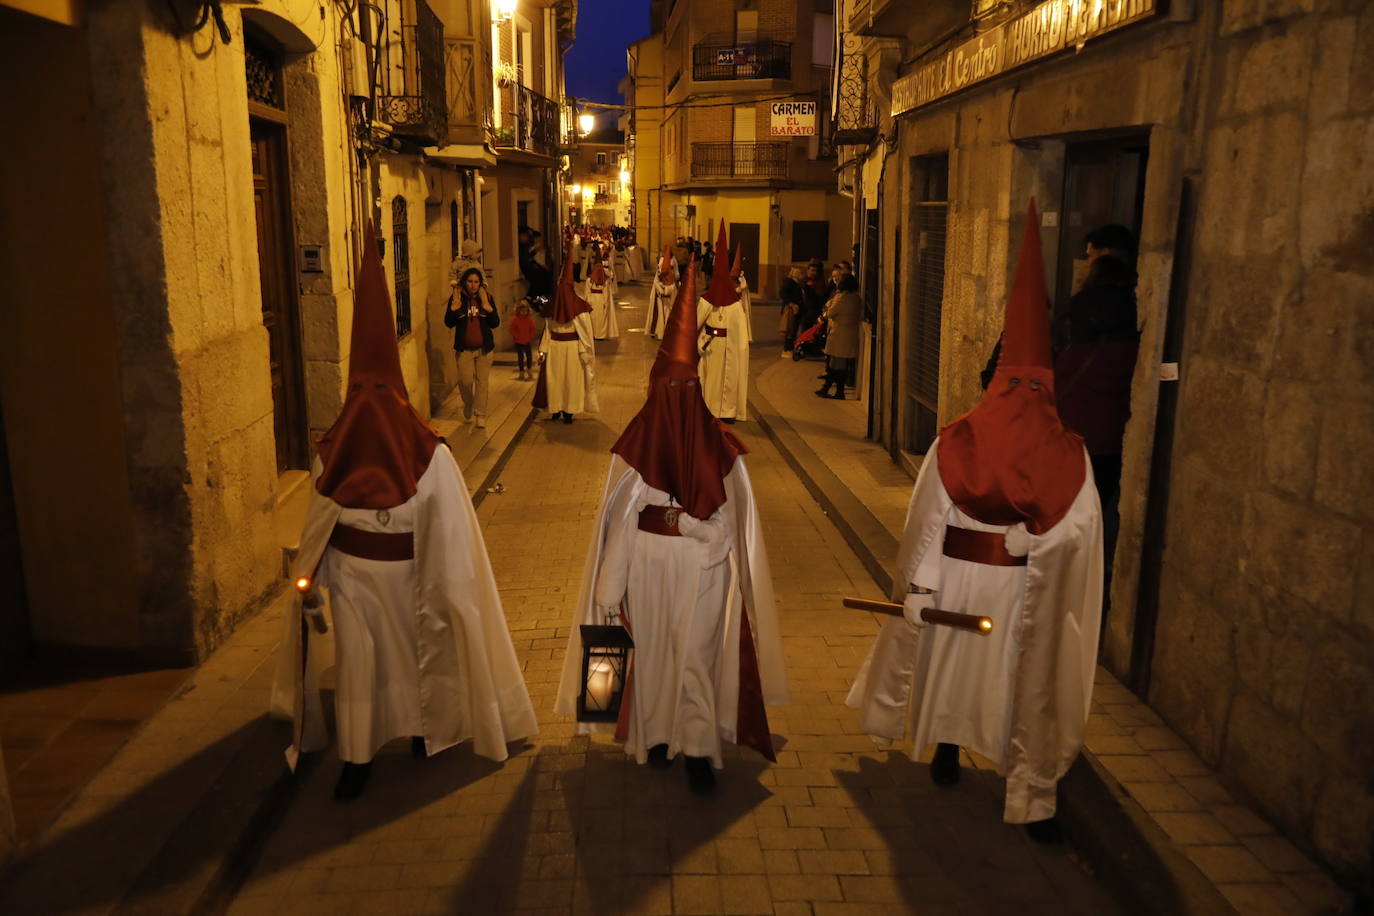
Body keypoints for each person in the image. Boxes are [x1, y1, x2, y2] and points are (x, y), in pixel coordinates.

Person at [847, 202, 1103, 844]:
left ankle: (956, 753)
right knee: (1007, 682)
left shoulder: (955, 438)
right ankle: (996, 772)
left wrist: (917, 584)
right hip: (1016, 590)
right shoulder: (1065, 449)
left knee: (965, 670)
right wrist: (1033, 541)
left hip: (971, 582)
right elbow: (1081, 532)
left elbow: (927, 520)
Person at [269, 225, 537, 801]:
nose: (367, 405)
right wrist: (311, 578)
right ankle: (358, 756)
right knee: (363, 673)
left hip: (415, 578)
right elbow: (319, 527)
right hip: (355, 586)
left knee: (421, 661)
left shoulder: (429, 452)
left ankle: (425, 735)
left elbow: (451, 530)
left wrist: (447, 584)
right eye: (357, 391)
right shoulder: (333, 453)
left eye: (375, 391)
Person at [554, 257, 788, 795]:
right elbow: (617, 519)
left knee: (697, 659)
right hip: (646, 568)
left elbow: (734, 523)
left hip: (704, 573)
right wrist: (611, 582)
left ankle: (700, 748)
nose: (675, 404)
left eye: (686, 391)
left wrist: (703, 537)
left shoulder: (725, 451)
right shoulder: (634, 450)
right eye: (668, 390)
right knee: (654, 655)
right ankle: (655, 736)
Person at [534, 246, 597, 424]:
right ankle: (555, 409)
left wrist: (584, 351)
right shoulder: (552, 307)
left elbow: (583, 334)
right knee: (555, 382)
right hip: (555, 349)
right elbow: (548, 330)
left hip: (572, 350)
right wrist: (543, 351)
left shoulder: (579, 309)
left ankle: (569, 411)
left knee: (571, 382)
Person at [697, 225, 750, 424]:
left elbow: (741, 334)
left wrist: (739, 348)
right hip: (710, 346)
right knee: (711, 380)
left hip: (730, 347)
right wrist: (699, 343)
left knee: (729, 378)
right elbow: (696, 325)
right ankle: (708, 409)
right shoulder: (706, 301)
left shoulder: (735, 305)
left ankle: (727, 411)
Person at [444, 268, 501, 430]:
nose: (473, 285)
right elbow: (448, 323)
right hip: (464, 349)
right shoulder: (456, 298)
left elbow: (495, 323)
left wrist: (489, 310)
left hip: (484, 349)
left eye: (476, 282)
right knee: (465, 381)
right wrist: (453, 310)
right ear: (464, 282)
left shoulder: (487, 298)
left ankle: (480, 414)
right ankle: (468, 403)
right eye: (470, 281)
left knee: (482, 382)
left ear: (480, 283)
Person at [816, 274, 861, 399]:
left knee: (836, 364)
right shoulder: (856, 298)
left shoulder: (841, 298)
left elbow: (830, 312)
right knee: (839, 364)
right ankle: (826, 389)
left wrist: (823, 315)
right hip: (850, 334)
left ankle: (837, 392)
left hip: (838, 334)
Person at [582, 258, 619, 340]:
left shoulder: (590, 280)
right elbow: (605, 294)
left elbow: (587, 292)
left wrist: (588, 300)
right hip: (599, 301)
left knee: (595, 318)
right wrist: (605, 303)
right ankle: (599, 335)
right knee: (599, 319)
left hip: (593, 300)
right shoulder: (603, 281)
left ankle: (594, 334)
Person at [647, 244, 678, 340]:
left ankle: (667, 331)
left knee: (669, 311)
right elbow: (660, 273)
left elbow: (676, 273)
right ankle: (660, 331)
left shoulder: (673, 260)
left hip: (669, 288)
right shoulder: (663, 260)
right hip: (662, 288)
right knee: (660, 312)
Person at [509, 298, 539, 381]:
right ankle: (521, 371)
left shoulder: (529, 319)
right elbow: (511, 329)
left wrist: (530, 336)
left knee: (529, 356)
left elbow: (533, 328)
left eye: (525, 311)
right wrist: (516, 335)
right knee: (520, 357)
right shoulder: (515, 319)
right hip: (518, 341)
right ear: (518, 311)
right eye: (522, 311)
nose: (523, 313)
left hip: (527, 340)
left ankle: (529, 369)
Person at [778, 266, 805, 355]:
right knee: (790, 329)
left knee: (793, 329)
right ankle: (787, 349)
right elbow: (783, 293)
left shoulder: (799, 283)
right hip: (791, 309)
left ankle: (790, 348)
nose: (799, 274)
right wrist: (791, 304)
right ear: (792, 272)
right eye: (796, 272)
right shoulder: (789, 282)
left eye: (800, 272)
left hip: (797, 309)